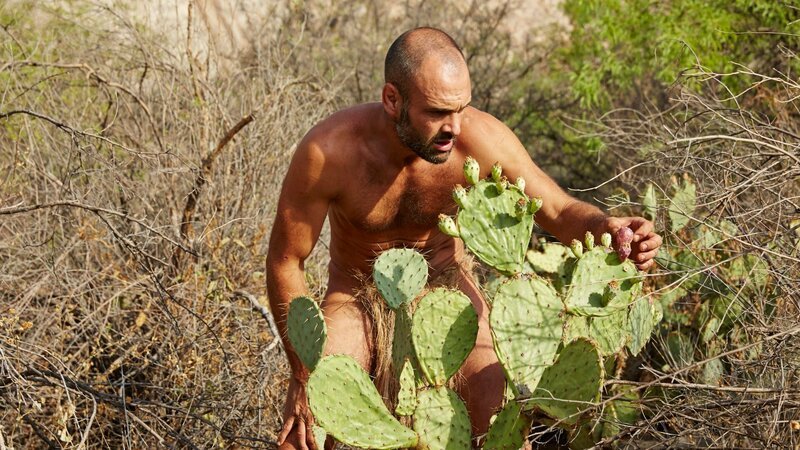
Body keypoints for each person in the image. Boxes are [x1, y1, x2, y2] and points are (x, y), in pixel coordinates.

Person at [266, 27, 662, 450]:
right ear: (392, 100)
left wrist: (608, 228)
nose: (454, 127)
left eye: (461, 108)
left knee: (502, 426)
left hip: (446, 288)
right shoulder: (328, 152)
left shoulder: (478, 139)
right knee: (302, 438)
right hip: (356, 294)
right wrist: (303, 374)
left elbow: (559, 211)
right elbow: (286, 261)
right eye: (437, 112)